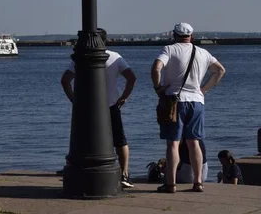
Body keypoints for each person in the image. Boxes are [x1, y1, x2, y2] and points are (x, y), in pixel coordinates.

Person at [151, 22, 226, 193]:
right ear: (192, 36)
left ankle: (171, 184)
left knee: (173, 144)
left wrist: (158, 88)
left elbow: (156, 68)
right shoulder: (203, 52)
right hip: (197, 101)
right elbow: (220, 70)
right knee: (194, 143)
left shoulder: (169, 49)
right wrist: (204, 89)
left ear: (174, 35)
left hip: (174, 100)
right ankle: (198, 182)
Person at [61, 28, 137, 188]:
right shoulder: (115, 57)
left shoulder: (80, 58)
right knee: (120, 140)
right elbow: (131, 77)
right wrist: (124, 97)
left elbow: (65, 80)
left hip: (87, 108)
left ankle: (79, 168)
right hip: (111, 105)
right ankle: (124, 173)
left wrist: (74, 100)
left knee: (82, 138)